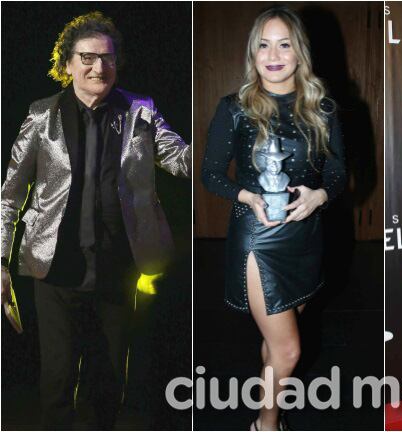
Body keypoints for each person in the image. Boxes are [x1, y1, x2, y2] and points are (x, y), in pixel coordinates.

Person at [0, 11, 190, 429]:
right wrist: (0, 262)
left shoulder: (140, 110)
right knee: (57, 380)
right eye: (86, 57)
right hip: (55, 270)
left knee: (109, 384)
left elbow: (180, 159)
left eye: (107, 58)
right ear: (67, 63)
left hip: (117, 268)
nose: (98, 68)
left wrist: (229, 143)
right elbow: (9, 195)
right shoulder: (40, 116)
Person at [200, 5, 345, 431]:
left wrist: (319, 195)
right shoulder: (234, 108)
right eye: (264, 44)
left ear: (299, 52)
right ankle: (266, 423)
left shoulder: (323, 107)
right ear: (253, 53)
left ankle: (269, 405)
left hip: (306, 238)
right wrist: (246, 193)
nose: (273, 53)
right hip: (258, 238)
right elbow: (209, 173)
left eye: (284, 43)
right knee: (289, 351)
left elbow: (337, 173)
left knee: (276, 342)